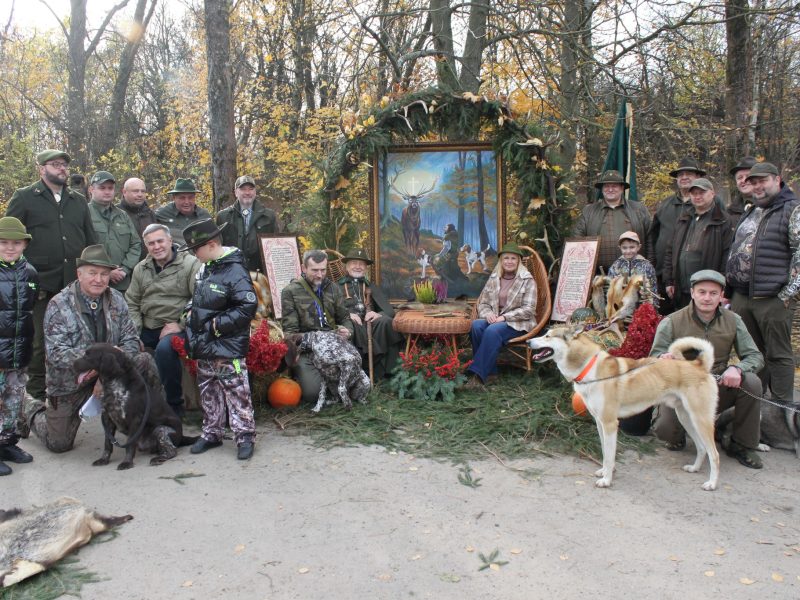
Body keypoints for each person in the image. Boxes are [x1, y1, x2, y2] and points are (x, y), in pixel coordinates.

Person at [21, 245, 154, 453]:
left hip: (111, 374)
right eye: (92, 273)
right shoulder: (59, 304)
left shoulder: (117, 300)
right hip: (72, 382)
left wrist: (106, 373)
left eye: (104, 274)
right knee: (59, 444)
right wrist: (104, 364)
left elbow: (132, 341)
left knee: (145, 360)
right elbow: (57, 354)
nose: (98, 280)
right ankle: (27, 406)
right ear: (79, 274)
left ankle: (149, 425)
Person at [5, 149, 97, 402]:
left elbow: (91, 240)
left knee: (76, 338)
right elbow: (8, 236)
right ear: (41, 169)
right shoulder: (25, 197)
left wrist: (98, 269)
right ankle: (35, 396)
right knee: (38, 342)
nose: (62, 169)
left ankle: (71, 391)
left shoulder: (78, 201)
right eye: (55, 164)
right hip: (40, 284)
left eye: (64, 165)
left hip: (73, 285)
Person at [651, 270, 765, 469]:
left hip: (716, 385)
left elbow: (755, 356)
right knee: (665, 432)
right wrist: (663, 359)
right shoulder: (671, 321)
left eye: (713, 293)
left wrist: (737, 369)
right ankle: (680, 434)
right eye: (702, 292)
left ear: (722, 296)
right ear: (692, 293)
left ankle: (742, 444)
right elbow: (653, 358)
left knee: (752, 382)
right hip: (679, 389)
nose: (707, 298)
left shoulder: (733, 320)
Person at [726, 161, 800, 414]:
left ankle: (780, 412)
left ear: (777, 180)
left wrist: (788, 295)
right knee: (752, 354)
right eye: (753, 182)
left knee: (778, 355)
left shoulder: (792, 210)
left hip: (773, 297)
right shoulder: (751, 210)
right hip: (743, 295)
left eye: (763, 181)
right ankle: (756, 405)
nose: (757, 186)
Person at [182, 219, 258, 460]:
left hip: (227, 347)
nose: (194, 254)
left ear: (211, 244)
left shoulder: (235, 270)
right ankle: (211, 432)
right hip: (204, 346)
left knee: (237, 391)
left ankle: (245, 435)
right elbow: (199, 298)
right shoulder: (206, 268)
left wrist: (216, 326)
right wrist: (190, 312)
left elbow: (247, 305)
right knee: (208, 390)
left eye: (196, 249)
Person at [126, 223, 201, 417]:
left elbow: (199, 299)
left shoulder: (190, 264)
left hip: (177, 326)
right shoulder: (140, 269)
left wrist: (180, 324)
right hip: (148, 325)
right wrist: (135, 333)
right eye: (151, 243)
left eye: (160, 241)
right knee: (124, 350)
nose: (156, 247)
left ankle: (174, 406)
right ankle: (134, 406)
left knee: (165, 350)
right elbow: (132, 302)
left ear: (170, 241)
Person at [281, 249, 354, 404]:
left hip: (334, 346)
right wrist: (320, 338)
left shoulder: (333, 288)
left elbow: (345, 318)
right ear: (303, 268)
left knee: (354, 388)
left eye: (323, 270)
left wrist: (348, 332)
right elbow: (290, 334)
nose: (320, 275)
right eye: (314, 270)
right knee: (312, 395)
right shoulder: (290, 292)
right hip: (308, 350)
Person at [466, 243, 537, 387]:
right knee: (476, 325)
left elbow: (529, 309)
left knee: (493, 330)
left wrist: (504, 317)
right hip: (496, 318)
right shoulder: (494, 278)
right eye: (506, 258)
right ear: (501, 261)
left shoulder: (527, 280)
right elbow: (483, 303)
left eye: (513, 258)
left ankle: (478, 376)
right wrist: (489, 314)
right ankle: (490, 373)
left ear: (518, 261)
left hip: (518, 322)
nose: (509, 262)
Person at [0, 217, 39, 476]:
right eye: (3, 243)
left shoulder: (31, 273)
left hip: (20, 348)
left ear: (24, 244)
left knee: (14, 399)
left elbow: (30, 308)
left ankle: (7, 443)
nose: (10, 247)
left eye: (16, 243)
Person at [663, 178, 733, 310]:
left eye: (702, 192)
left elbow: (727, 257)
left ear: (712, 193)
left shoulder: (723, 221)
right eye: (694, 193)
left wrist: (723, 288)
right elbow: (670, 250)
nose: (697, 196)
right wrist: (669, 281)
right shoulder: (683, 219)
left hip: (707, 291)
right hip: (681, 289)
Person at [648, 157, 705, 314]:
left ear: (698, 177)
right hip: (662, 276)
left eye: (689, 173)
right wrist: (652, 264)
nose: (684, 177)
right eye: (681, 174)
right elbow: (652, 236)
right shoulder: (665, 205)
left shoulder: (707, 203)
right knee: (663, 320)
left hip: (693, 278)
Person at [337, 248, 404, 379]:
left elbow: (389, 311)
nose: (357, 266)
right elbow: (330, 311)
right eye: (354, 263)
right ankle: (364, 369)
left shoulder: (371, 286)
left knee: (386, 322)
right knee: (353, 325)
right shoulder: (336, 287)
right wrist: (347, 315)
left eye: (361, 264)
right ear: (347, 266)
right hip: (351, 325)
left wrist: (378, 314)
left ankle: (390, 371)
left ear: (366, 268)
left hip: (370, 326)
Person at [573, 170, 651, 274]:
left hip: (634, 275)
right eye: (606, 186)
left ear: (622, 188)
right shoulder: (588, 211)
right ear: (602, 189)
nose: (610, 189)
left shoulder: (639, 209)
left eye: (614, 186)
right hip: (599, 277)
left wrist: (650, 267)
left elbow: (650, 240)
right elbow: (577, 241)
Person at [87, 171, 141, 292]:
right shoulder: (84, 213)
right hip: (94, 284)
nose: (107, 192)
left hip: (122, 285)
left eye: (110, 188)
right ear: (91, 189)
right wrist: (106, 273)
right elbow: (80, 248)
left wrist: (124, 270)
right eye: (102, 188)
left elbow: (135, 244)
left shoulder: (122, 215)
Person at [216, 175, 280, 272]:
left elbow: (276, 246)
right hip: (232, 273)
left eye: (251, 189)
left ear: (255, 192)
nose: (247, 192)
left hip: (261, 273)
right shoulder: (223, 217)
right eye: (243, 189)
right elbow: (218, 248)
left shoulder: (269, 216)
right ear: (236, 192)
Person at [606, 231, 658, 306]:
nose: (628, 251)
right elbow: (610, 289)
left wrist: (653, 308)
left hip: (642, 309)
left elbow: (653, 289)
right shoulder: (615, 267)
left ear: (638, 247)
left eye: (632, 247)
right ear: (620, 248)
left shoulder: (647, 266)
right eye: (624, 248)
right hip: (621, 309)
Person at [119, 177, 157, 261]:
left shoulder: (150, 214)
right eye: (135, 191)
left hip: (148, 267)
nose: (140, 194)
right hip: (123, 269)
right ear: (124, 192)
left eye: (143, 191)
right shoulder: (115, 213)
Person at [727, 156, 757, 227]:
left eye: (748, 176)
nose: (743, 180)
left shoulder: (772, 207)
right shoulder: (729, 212)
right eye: (740, 178)